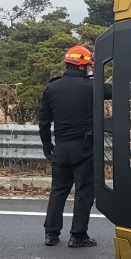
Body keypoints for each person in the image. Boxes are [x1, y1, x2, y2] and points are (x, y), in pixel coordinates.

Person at [38, 45, 99, 248]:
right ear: (83, 66)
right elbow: (115, 92)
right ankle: (78, 235)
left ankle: (51, 233)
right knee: (84, 191)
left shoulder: (52, 88)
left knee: (58, 190)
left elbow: (44, 121)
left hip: (61, 147)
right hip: (84, 147)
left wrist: (48, 145)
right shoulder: (93, 87)